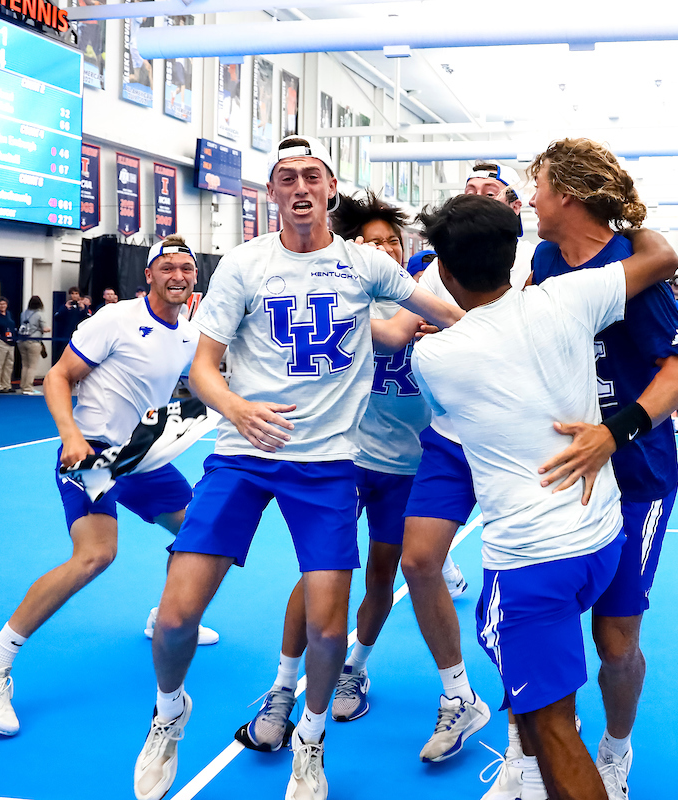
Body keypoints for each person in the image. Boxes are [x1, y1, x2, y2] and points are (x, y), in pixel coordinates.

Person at [133, 137, 461, 800]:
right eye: (287, 178)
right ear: (272, 193)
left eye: (312, 175)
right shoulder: (244, 264)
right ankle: (169, 713)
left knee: (329, 629)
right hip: (243, 454)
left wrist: (525, 328)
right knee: (173, 619)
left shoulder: (365, 264)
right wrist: (235, 406)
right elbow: (203, 367)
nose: (301, 187)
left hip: (328, 463)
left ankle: (310, 739)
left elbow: (450, 315)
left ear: (330, 187)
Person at [411, 193, 678, 800]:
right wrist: (622, 215)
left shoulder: (433, 357)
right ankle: (532, 774)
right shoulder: (569, 297)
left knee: (553, 728)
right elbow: (660, 255)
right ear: (515, 256)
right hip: (601, 539)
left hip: (531, 561)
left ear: (444, 272)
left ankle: (546, 771)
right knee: (546, 710)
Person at [0, 236, 213, 738]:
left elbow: (200, 384)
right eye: (167, 267)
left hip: (139, 455)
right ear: (149, 275)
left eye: (186, 267)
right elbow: (58, 377)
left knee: (199, 533)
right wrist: (71, 435)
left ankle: (167, 616)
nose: (178, 275)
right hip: (91, 453)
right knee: (95, 555)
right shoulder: (114, 319)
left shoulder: (188, 332)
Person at [233, 193, 454, 752]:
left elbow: (456, 325)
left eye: (392, 242)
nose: (385, 250)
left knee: (382, 575)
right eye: (372, 243)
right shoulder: (344, 296)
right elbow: (384, 331)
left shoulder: (423, 297)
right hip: (345, 457)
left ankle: (355, 665)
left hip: (408, 465)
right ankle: (283, 686)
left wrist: (444, 330)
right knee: (319, 574)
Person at [522, 137, 678, 800]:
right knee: (545, 623)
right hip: (564, 473)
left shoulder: (633, 271)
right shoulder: (544, 259)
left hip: (637, 479)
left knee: (615, 640)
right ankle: (542, 744)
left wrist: (612, 434)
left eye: (538, 186)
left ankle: (616, 751)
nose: (530, 200)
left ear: (566, 195)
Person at [393, 165, 534, 767]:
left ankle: (532, 717)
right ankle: (459, 695)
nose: (474, 195)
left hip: (518, 441)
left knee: (523, 583)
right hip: (451, 438)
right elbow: (400, 329)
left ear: (513, 204)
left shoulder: (538, 261)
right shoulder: (438, 264)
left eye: (488, 191)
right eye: (468, 189)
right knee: (418, 561)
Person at [17, 296, 50, 395]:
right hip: (34, 341)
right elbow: (44, 328)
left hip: (22, 340)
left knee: (25, 365)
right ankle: (28, 387)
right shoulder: (40, 314)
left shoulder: (23, 313)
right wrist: (49, 329)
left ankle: (23, 386)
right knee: (32, 366)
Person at [52, 287, 90, 363]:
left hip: (79, 336)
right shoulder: (65, 306)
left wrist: (83, 309)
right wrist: (65, 308)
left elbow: (89, 319)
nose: (74, 295)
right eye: (72, 293)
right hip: (66, 335)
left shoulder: (83, 307)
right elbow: (56, 317)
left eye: (76, 293)